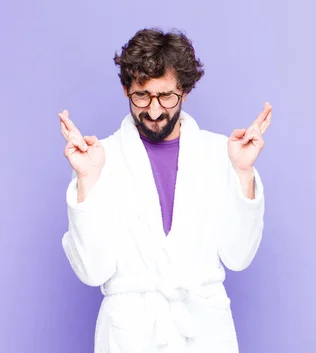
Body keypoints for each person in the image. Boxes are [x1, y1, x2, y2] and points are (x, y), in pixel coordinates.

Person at [58, 28, 271, 353]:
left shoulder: (221, 153)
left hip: (204, 334)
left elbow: (239, 257)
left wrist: (243, 173)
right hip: (130, 335)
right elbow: (92, 271)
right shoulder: (100, 157)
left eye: (166, 96)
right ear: (126, 89)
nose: (154, 111)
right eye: (141, 96)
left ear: (184, 91)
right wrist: (88, 179)